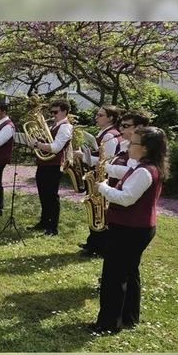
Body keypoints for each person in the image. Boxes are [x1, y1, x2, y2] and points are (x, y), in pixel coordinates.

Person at [89, 126, 168, 334]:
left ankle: (107, 324)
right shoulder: (144, 167)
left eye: (133, 143)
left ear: (145, 148)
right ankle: (129, 317)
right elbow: (123, 173)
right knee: (129, 273)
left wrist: (103, 188)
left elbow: (125, 199)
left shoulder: (144, 171)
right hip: (137, 228)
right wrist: (104, 168)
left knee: (113, 277)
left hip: (130, 229)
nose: (128, 145)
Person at [77, 105, 122, 257]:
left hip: (102, 178)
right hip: (97, 176)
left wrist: (82, 156)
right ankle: (93, 242)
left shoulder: (110, 136)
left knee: (99, 211)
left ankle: (99, 246)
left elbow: (105, 162)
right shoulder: (105, 133)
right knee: (96, 210)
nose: (96, 117)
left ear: (110, 118)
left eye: (100, 115)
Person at [28, 100, 73, 236]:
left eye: (55, 112)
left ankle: (53, 227)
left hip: (54, 165)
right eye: (51, 112)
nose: (52, 115)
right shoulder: (55, 125)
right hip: (44, 164)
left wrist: (37, 144)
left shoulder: (65, 127)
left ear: (64, 112)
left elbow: (55, 148)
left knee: (52, 197)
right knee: (43, 195)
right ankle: (44, 222)